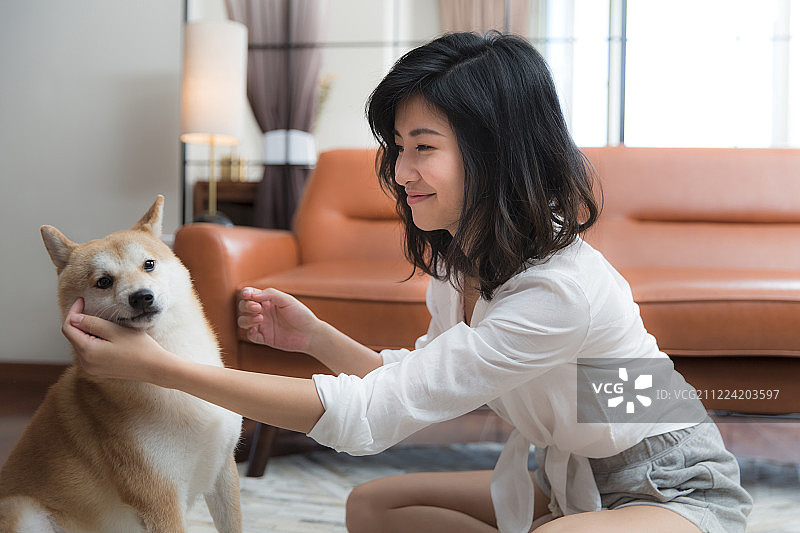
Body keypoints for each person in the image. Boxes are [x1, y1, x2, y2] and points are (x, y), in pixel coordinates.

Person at [63, 32, 751, 533]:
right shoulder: (464, 263)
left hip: (670, 478)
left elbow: (372, 417)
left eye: (423, 147)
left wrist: (163, 369)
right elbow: (419, 389)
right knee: (373, 508)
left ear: (494, 152)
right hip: (565, 469)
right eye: (398, 146)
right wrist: (315, 336)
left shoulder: (558, 289)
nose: (399, 170)